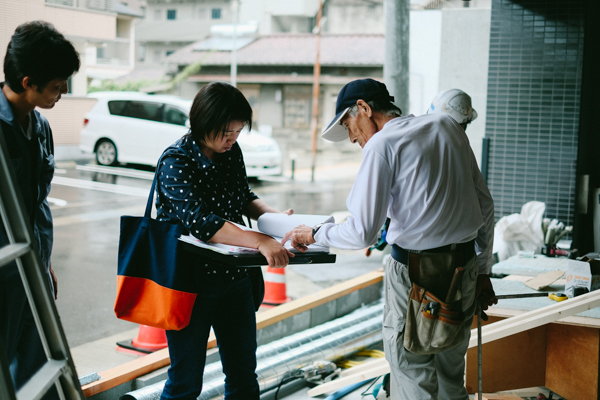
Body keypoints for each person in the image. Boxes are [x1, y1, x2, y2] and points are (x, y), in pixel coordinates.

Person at [282, 79, 497, 399]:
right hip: (462, 269)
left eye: (348, 123)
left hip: (414, 275)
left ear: (365, 109)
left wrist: (315, 233)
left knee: (412, 372)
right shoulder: (447, 127)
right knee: (451, 370)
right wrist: (482, 272)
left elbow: (361, 233)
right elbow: (485, 205)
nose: (352, 137)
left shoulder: (382, 145)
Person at [157, 81, 293, 400]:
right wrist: (259, 240)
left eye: (237, 132)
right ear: (204, 124)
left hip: (235, 281)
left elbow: (244, 197)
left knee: (243, 376)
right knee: (185, 382)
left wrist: (278, 221)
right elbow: (202, 223)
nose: (233, 140)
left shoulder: (232, 153)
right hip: (189, 285)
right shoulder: (175, 161)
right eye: (226, 133)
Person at [0, 21, 80, 397]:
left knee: (39, 369)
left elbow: (37, 203)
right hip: (3, 274)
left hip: (33, 271)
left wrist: (44, 263)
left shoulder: (42, 127)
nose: (63, 91)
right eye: (57, 84)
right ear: (28, 81)